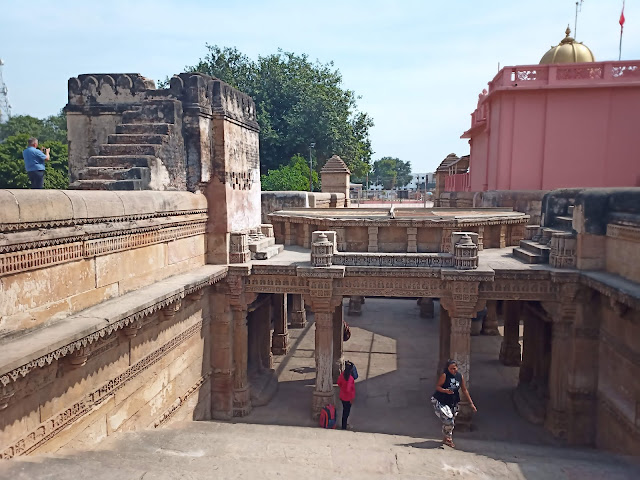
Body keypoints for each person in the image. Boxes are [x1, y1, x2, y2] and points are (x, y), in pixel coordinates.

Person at [431, 359, 476, 448]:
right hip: (442, 400)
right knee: (449, 420)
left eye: (454, 368)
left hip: (453, 401)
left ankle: (446, 437)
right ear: (447, 369)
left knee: (450, 421)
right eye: (451, 369)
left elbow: (464, 390)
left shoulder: (460, 377)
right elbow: (438, 387)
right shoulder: (444, 376)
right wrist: (445, 391)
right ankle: (448, 439)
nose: (453, 370)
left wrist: (471, 403)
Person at [337, 360, 356, 430]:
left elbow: (339, 383)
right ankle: (344, 426)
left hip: (342, 396)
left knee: (344, 411)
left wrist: (342, 387)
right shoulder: (351, 379)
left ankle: (344, 424)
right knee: (346, 413)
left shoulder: (342, 375)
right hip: (348, 398)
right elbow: (349, 390)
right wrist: (352, 398)